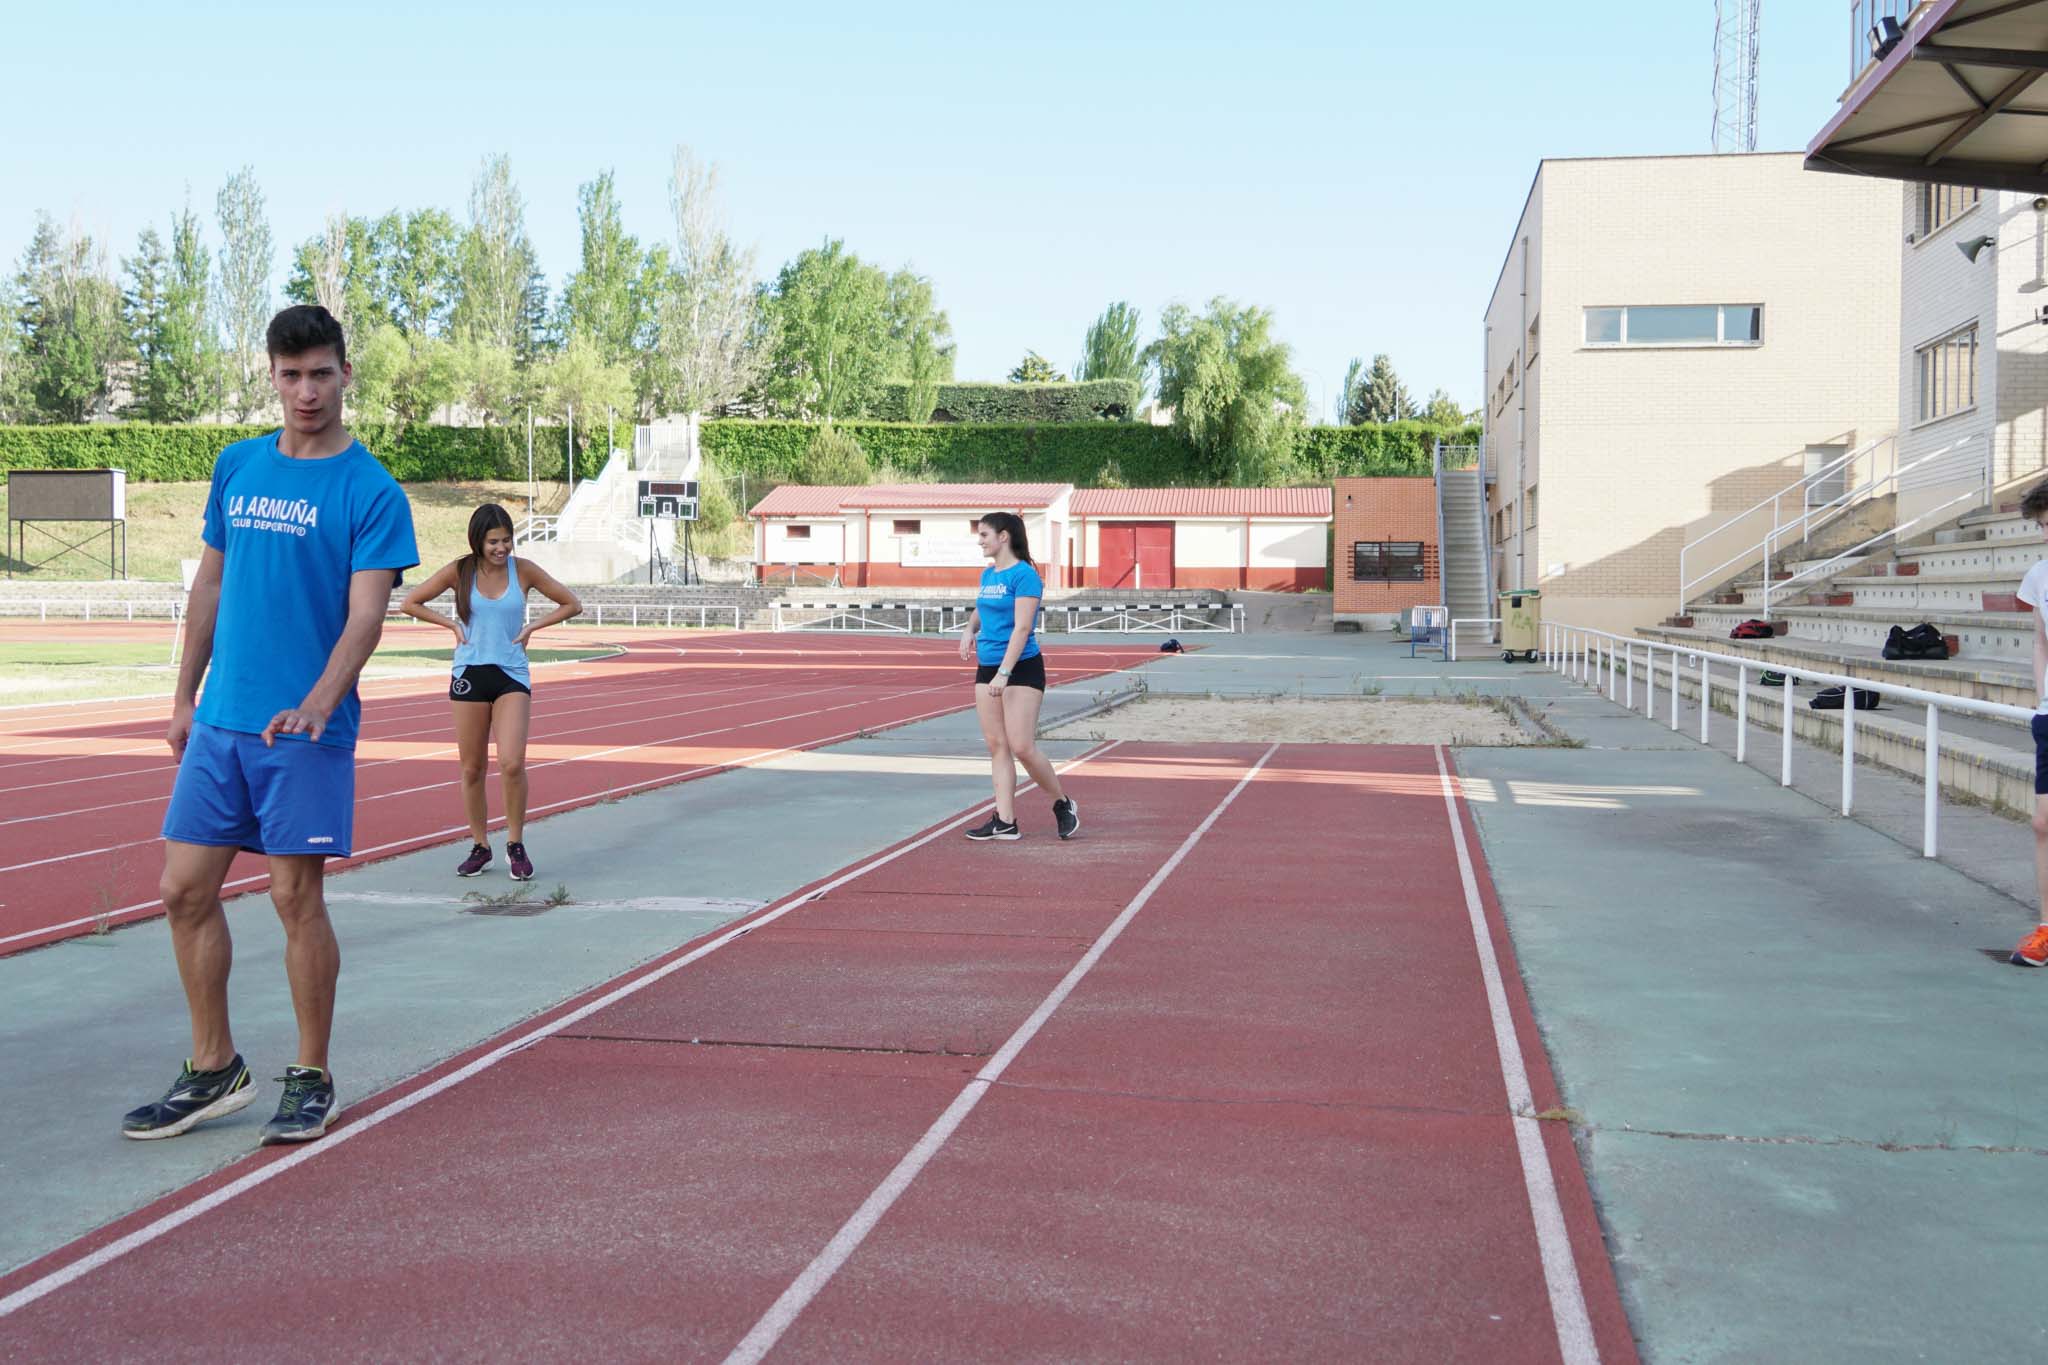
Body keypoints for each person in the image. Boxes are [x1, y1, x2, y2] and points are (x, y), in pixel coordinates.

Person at [124, 305, 418, 1146]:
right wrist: (183, 697)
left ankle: (312, 1072)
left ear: (345, 374)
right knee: (182, 889)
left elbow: (367, 615)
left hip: (304, 729)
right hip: (222, 721)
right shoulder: (237, 467)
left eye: (321, 373)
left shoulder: (371, 489)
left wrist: (322, 702)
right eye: (290, 376)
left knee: (295, 896)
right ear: (272, 376)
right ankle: (214, 1065)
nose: (306, 391)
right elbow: (209, 588)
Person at [400, 504, 582, 879]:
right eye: (493, 541)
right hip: (469, 673)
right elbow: (409, 602)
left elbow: (571, 603)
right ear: (478, 541)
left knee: (512, 762)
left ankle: (515, 843)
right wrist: (450, 623)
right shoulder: (460, 570)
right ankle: (480, 845)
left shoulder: (524, 570)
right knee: (472, 768)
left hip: (511, 674)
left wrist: (532, 627)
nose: (502, 548)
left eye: (507, 540)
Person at [957, 511, 1080, 842]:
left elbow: (1023, 628)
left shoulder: (1024, 576)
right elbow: (983, 607)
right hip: (988, 667)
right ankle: (1005, 821)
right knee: (997, 744)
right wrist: (970, 630)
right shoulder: (989, 575)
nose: (979, 541)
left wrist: (1004, 673)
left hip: (1021, 668)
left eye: (984, 535)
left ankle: (1063, 803)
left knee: (1022, 746)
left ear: (1004, 536)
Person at [2014, 479, 2048, 966]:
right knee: (2044, 824)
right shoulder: (2041, 574)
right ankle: (2046, 929)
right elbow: (2042, 639)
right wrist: (2043, 698)